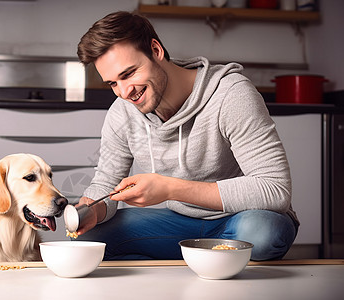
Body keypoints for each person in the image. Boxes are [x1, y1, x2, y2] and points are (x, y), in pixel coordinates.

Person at [73, 11, 299, 261]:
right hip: (179, 225)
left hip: (243, 219)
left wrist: (170, 188)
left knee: (262, 233)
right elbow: (106, 183)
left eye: (129, 74)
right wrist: (93, 209)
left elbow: (275, 189)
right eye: (113, 83)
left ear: (156, 50)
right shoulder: (122, 112)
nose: (125, 92)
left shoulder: (231, 95)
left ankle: (194, 261)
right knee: (88, 240)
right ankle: (202, 264)